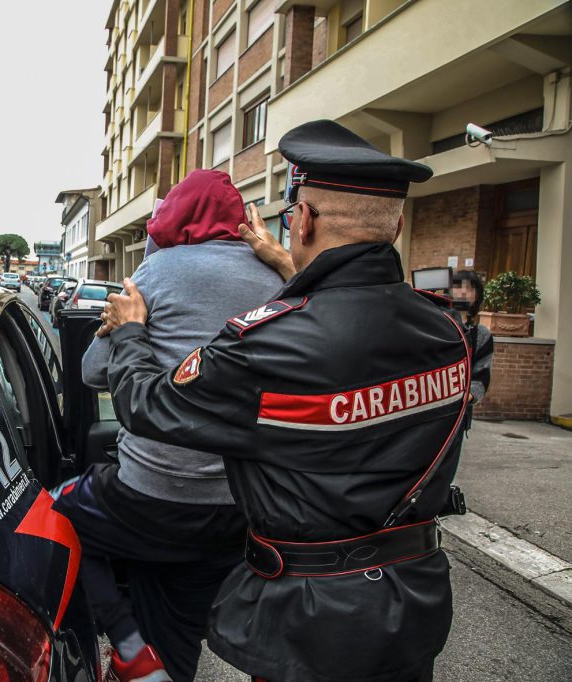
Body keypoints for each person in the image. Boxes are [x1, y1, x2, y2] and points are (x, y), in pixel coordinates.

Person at [97, 120, 470, 682]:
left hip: (311, 621)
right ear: (393, 227)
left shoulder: (267, 344)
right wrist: (292, 270)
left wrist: (129, 333)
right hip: (411, 604)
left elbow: (147, 406)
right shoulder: (453, 333)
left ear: (303, 218)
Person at [53, 170, 282, 682]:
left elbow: (92, 372)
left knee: (55, 512)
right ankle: (147, 650)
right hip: (243, 505)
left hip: (148, 497)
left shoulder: (156, 272)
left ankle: (129, 645)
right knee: (174, 603)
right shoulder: (281, 276)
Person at [451, 270, 493, 407]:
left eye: (469, 288)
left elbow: (481, 375)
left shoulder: (482, 334)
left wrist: (467, 397)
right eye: (457, 287)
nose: (463, 292)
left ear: (477, 296)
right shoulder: (434, 324)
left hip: (459, 408)